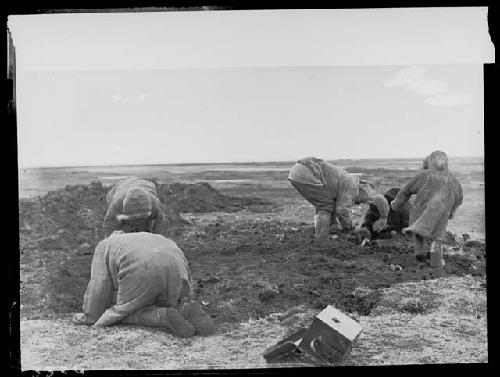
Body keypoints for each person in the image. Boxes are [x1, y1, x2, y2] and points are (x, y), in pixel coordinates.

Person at [72, 231, 215, 338]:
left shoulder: (103, 246)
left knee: (124, 313)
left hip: (142, 266)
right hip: (174, 260)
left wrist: (91, 316)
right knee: (166, 298)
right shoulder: (147, 237)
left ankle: (163, 316)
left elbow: (99, 286)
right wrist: (185, 295)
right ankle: (184, 308)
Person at [390, 151, 463, 267]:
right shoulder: (454, 180)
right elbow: (459, 199)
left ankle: (420, 253)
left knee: (418, 231)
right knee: (437, 237)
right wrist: (451, 212)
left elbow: (406, 191)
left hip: (418, 212)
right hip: (440, 215)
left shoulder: (422, 175)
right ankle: (436, 261)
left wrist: (396, 204)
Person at [288, 157, 376, 238]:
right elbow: (341, 209)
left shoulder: (346, 180)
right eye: (361, 201)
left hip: (298, 172)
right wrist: (349, 227)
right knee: (325, 205)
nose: (357, 203)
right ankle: (321, 239)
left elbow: (335, 205)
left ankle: (328, 230)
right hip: (306, 172)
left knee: (327, 203)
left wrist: (335, 225)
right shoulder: (352, 186)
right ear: (362, 192)